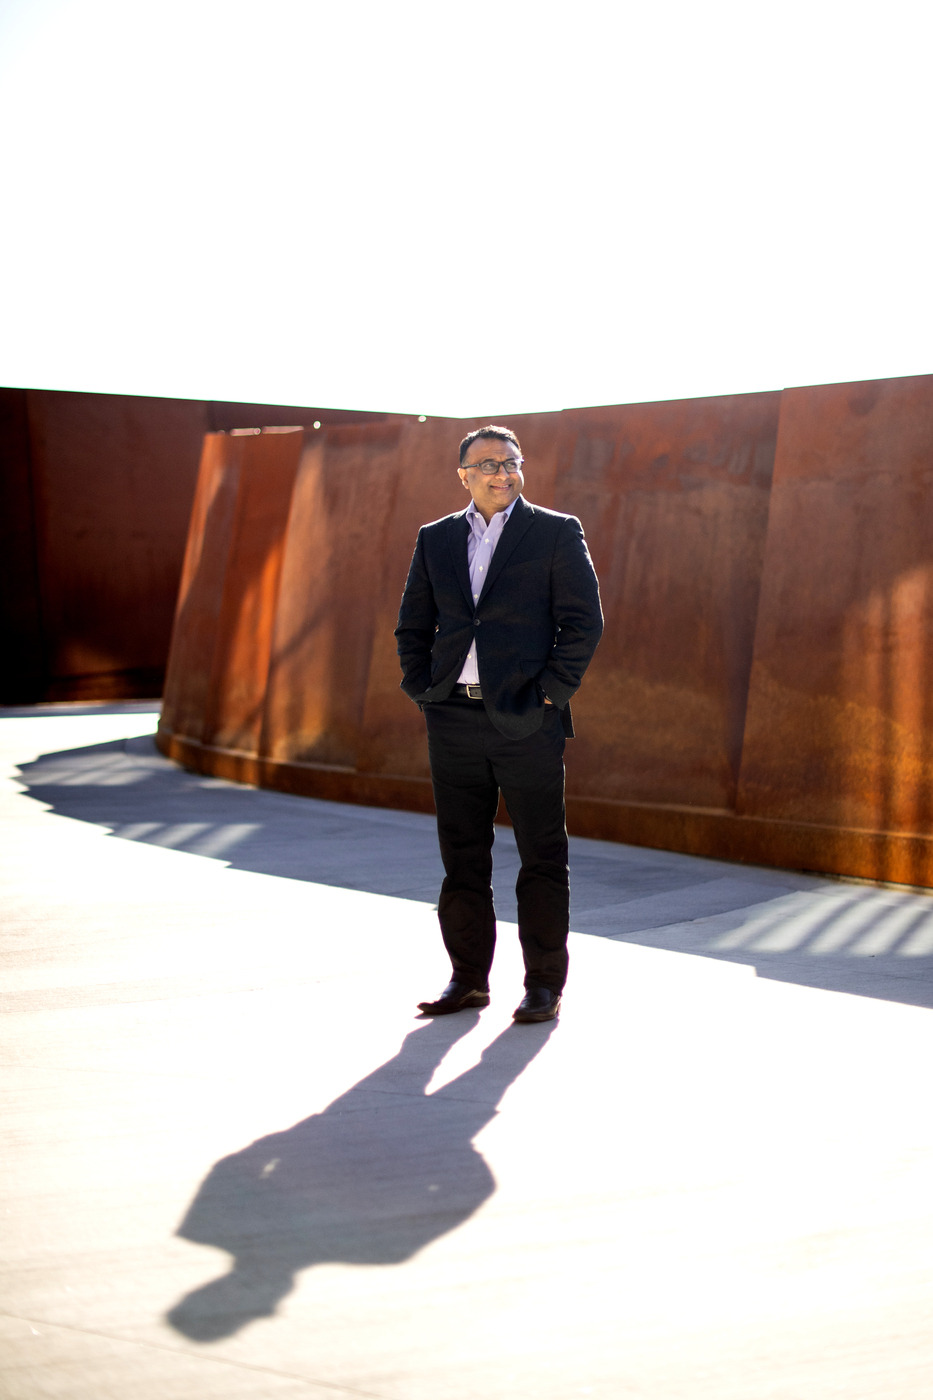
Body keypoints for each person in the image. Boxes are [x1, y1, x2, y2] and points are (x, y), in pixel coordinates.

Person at [395, 425, 603, 1023]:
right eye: (487, 464)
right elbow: (413, 622)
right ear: (463, 475)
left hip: (527, 720)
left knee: (541, 855)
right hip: (453, 717)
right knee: (462, 856)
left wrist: (549, 696)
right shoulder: (435, 539)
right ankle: (468, 980)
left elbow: (584, 622)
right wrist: (422, 688)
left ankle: (542, 984)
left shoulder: (556, 532)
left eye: (511, 462)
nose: (502, 472)